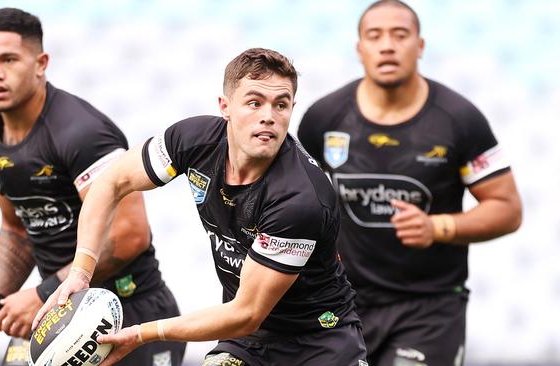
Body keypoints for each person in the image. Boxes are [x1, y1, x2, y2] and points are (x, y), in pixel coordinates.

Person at [34, 47, 368, 366]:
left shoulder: (299, 199)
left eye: (281, 105)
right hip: (248, 341)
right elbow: (111, 182)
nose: (268, 116)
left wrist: (143, 333)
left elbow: (246, 313)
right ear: (225, 106)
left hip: (319, 344)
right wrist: (80, 273)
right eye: (254, 102)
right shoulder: (193, 140)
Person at [0, 8, 185, 366]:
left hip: (126, 309)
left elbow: (130, 234)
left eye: (8, 59)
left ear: (41, 63)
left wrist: (42, 293)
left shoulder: (81, 132)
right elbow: (17, 228)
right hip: (56, 313)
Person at [297, 1, 523, 365]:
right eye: (375, 36)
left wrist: (438, 226)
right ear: (360, 49)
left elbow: (508, 209)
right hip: (343, 303)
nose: (387, 45)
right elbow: (294, 197)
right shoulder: (324, 118)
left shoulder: (459, 120)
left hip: (429, 308)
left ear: (420, 46)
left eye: (400, 35)